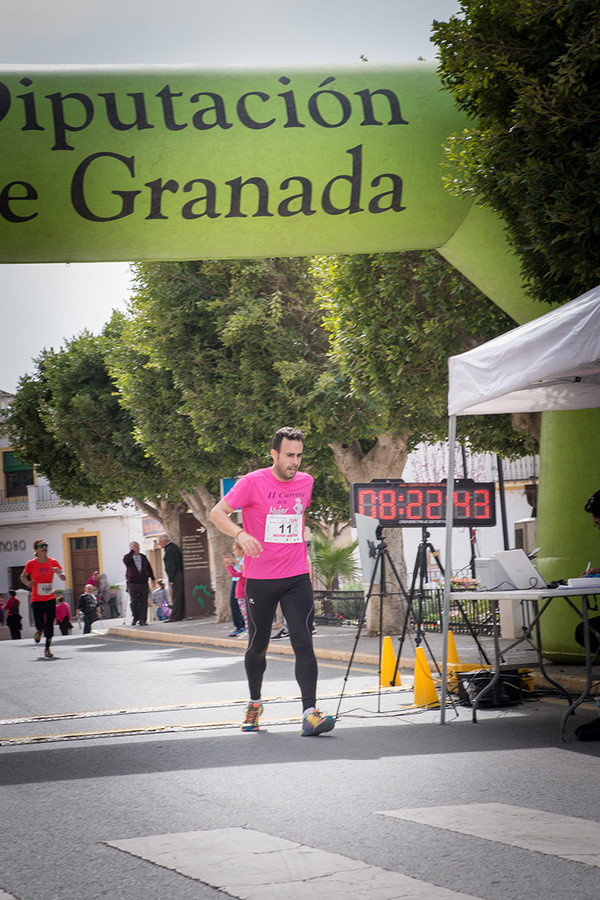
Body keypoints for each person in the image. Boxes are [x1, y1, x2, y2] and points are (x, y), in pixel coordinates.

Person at [209, 426, 334, 737]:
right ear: (274, 454)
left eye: (299, 455)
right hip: (260, 579)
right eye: (289, 455)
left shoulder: (306, 482)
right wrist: (241, 533)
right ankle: (254, 702)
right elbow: (217, 512)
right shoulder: (252, 482)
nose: (295, 461)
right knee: (257, 645)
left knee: (303, 641)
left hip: (296, 576)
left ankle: (310, 713)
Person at [21, 538, 66, 658]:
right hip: (36, 598)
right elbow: (22, 576)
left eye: (46, 545)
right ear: (36, 549)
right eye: (41, 546)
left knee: (50, 623)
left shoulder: (53, 562)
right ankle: (39, 631)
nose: (44, 547)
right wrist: (28, 583)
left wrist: (59, 573)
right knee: (40, 623)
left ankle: (47, 648)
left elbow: (64, 578)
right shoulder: (31, 563)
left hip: (50, 597)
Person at [123, 541, 155, 626]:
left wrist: (152, 578)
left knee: (144, 602)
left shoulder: (143, 557)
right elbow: (126, 562)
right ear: (131, 548)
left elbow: (149, 567)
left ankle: (143, 620)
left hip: (143, 582)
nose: (137, 548)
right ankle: (135, 617)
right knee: (134, 602)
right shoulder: (127, 557)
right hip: (132, 583)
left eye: (138, 547)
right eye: (135, 547)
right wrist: (132, 552)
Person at [158, 535, 184, 621]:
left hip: (176, 575)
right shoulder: (173, 547)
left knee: (176, 596)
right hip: (179, 574)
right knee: (178, 595)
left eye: (160, 541)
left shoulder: (170, 550)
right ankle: (180, 614)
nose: (159, 543)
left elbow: (170, 566)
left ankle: (175, 616)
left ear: (165, 541)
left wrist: (171, 579)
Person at [224, 541, 246, 636]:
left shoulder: (245, 559)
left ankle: (242, 626)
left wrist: (229, 564)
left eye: (235, 550)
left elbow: (240, 571)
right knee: (235, 603)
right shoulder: (240, 559)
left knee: (239, 606)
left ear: (242, 550)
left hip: (240, 580)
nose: (233, 552)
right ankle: (240, 626)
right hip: (236, 580)